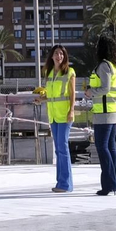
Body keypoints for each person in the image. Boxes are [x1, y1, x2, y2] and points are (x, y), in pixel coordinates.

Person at [37, 46, 76, 193]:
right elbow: (52, 95)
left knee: (63, 148)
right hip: (53, 115)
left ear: (64, 56)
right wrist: (41, 99)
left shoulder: (69, 72)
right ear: (52, 57)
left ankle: (65, 184)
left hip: (65, 115)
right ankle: (61, 182)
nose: (59, 56)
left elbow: (72, 94)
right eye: (56, 53)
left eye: (61, 54)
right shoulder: (49, 73)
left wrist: (71, 111)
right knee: (59, 150)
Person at [86, 37, 116, 196]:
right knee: (110, 147)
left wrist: (90, 92)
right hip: (112, 111)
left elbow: (105, 89)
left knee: (102, 147)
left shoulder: (104, 66)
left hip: (104, 113)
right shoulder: (114, 66)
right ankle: (115, 183)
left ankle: (109, 184)